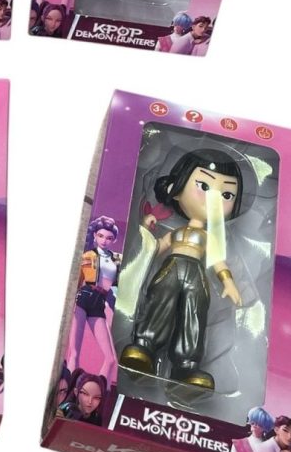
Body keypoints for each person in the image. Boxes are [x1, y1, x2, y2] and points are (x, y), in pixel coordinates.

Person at [118, 148, 246, 390]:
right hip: (171, 268)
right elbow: (154, 250)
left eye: (227, 194)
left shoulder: (209, 238)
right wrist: (145, 230)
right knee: (159, 302)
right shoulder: (175, 233)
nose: (214, 199)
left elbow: (218, 261)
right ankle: (144, 346)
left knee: (193, 315)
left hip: (197, 276)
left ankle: (186, 365)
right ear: (175, 190)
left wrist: (228, 282)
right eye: (204, 186)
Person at [66, 217, 121, 381]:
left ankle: (100, 390)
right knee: (74, 353)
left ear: (113, 239)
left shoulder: (117, 259)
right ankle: (67, 389)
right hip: (83, 298)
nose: (104, 241)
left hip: (99, 303)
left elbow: (116, 287)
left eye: (109, 238)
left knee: (111, 359)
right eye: (101, 236)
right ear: (95, 235)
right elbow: (76, 281)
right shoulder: (87, 255)